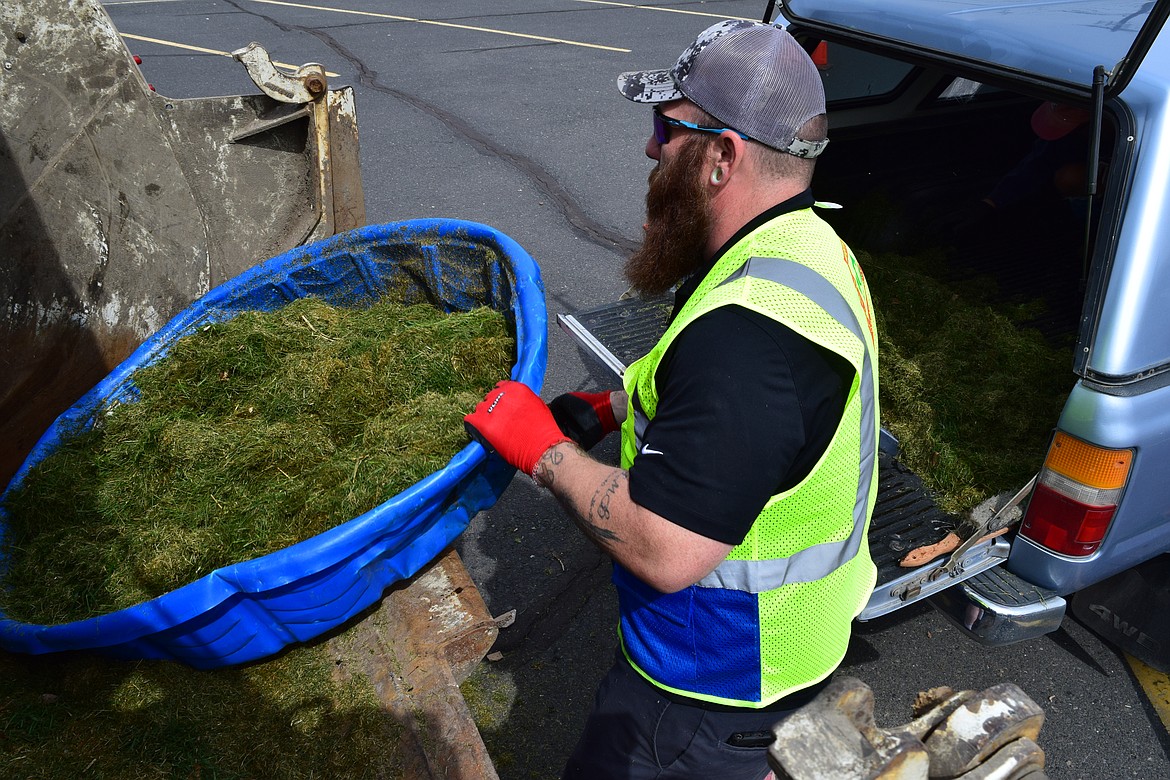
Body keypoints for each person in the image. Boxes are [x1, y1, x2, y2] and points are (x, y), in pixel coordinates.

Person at [465, 19, 880, 780]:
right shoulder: (806, 245)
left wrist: (545, 452)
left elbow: (665, 549)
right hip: (791, 652)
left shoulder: (749, 342)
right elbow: (695, 387)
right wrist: (605, 409)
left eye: (667, 127)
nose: (650, 148)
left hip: (708, 693)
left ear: (722, 156)